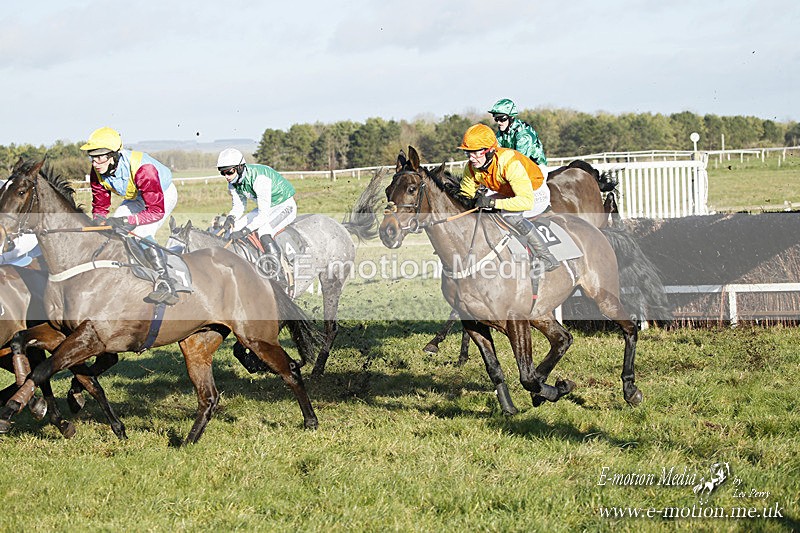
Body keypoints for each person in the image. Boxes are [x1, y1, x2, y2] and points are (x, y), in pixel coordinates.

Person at [80, 126, 179, 305]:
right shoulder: (96, 172)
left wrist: (130, 220)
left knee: (140, 232)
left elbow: (156, 211)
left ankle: (166, 282)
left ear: (113, 156)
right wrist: (99, 223)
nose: (95, 163)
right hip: (136, 197)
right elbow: (100, 206)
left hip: (162, 194)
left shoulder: (144, 170)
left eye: (100, 157)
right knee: (113, 230)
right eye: (92, 157)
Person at [458, 123, 559, 272]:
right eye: (468, 153)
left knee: (509, 215)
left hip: (535, 192)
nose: (471, 158)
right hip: (508, 192)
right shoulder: (471, 168)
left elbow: (525, 201)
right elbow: (465, 196)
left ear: (490, 151)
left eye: (476, 153)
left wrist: (492, 203)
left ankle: (547, 257)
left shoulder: (509, 163)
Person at [217, 148, 296, 279]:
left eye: (229, 172)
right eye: (223, 173)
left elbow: (263, 216)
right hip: (266, 207)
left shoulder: (260, 180)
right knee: (234, 228)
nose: (226, 176)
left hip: (285, 205)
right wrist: (231, 217)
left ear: (240, 167)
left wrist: (244, 232)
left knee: (264, 231)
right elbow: (238, 207)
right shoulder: (232, 184)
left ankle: (278, 274)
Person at [489, 98, 547, 166]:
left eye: (502, 119)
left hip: (535, 168)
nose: (499, 122)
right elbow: (495, 151)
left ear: (511, 117)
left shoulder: (523, 135)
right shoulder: (501, 133)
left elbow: (520, 161)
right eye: (496, 119)